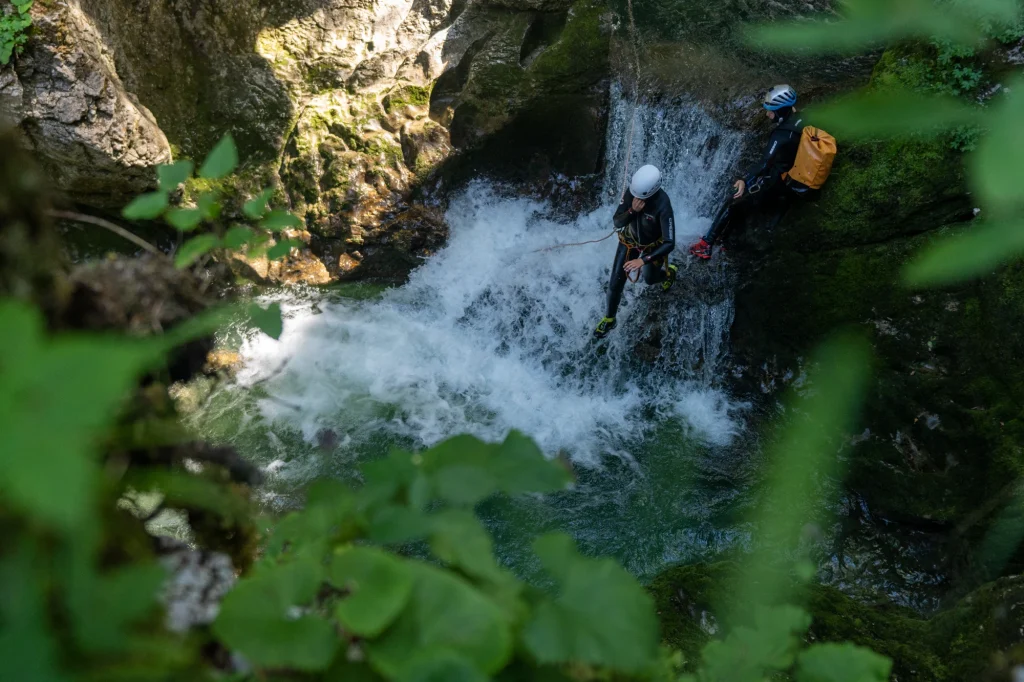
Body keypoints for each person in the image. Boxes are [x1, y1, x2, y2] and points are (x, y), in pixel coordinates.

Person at [689, 84, 811, 260]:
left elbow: (764, 163)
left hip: (778, 183)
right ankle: (725, 240)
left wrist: (744, 181)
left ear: (782, 111)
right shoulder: (800, 119)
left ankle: (706, 244)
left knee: (734, 198)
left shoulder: (781, 134)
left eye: (771, 111)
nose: (767, 114)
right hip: (793, 176)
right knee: (742, 201)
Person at [594, 164, 677, 339]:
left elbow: (670, 243)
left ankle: (669, 274)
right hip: (630, 241)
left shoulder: (663, 205)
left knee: (650, 279)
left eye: (640, 197)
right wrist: (633, 210)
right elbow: (617, 222)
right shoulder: (632, 192)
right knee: (615, 283)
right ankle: (609, 319)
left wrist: (643, 260)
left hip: (653, 246)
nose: (636, 198)